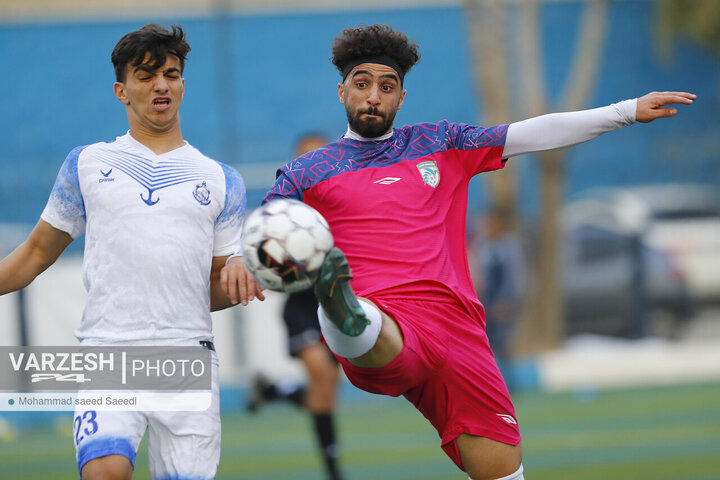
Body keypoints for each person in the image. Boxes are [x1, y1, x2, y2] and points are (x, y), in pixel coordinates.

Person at [261, 24, 695, 480]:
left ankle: (344, 307)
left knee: (504, 471)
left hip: (457, 335)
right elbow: (263, 238)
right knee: (371, 327)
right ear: (342, 90)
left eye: (386, 87)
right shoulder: (304, 173)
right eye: (362, 84)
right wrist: (237, 265)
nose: (373, 96)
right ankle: (340, 304)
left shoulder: (441, 143)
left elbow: (532, 133)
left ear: (401, 98)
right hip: (385, 324)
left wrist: (625, 110)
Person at [0, 23, 263, 480]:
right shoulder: (87, 164)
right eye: (146, 75)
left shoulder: (223, 180)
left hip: (188, 358)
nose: (161, 84)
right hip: (109, 352)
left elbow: (214, 288)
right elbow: (34, 255)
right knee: (106, 471)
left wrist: (245, 275)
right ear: (121, 90)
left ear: (182, 84)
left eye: (172, 73)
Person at [247, 132, 346, 480]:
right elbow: (267, 257)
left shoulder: (347, 201)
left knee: (325, 395)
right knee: (320, 375)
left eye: (320, 154)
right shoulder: (285, 212)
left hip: (339, 305)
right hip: (302, 307)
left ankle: (275, 391)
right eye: (305, 157)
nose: (313, 162)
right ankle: (334, 472)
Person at [472, 207, 526, 391]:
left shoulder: (509, 246)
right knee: (486, 344)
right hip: (486, 303)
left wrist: (507, 300)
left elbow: (514, 275)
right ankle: (490, 385)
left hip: (503, 303)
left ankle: (510, 386)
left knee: (503, 344)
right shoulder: (483, 246)